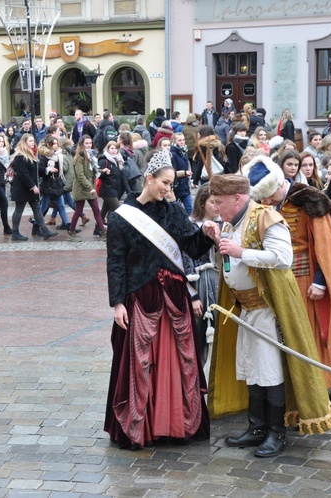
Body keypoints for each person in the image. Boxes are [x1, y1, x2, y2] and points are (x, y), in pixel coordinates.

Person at [206, 173, 331, 458]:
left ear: (237, 198)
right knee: (252, 367)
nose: (215, 207)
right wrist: (220, 241)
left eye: (218, 201)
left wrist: (242, 252)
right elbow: (231, 261)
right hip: (245, 307)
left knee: (268, 370)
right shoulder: (231, 222)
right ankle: (257, 427)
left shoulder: (265, 217)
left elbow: (282, 258)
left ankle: (276, 433)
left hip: (267, 308)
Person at [104, 150, 217, 450]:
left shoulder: (175, 211)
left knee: (180, 362)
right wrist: (117, 303)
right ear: (149, 179)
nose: (169, 188)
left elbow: (191, 248)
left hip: (175, 298)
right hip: (142, 297)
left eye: (171, 184)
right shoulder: (120, 217)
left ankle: (175, 423)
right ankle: (143, 426)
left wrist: (205, 234)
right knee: (142, 364)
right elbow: (115, 263)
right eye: (164, 183)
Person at [242, 155, 331, 388]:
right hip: (276, 279)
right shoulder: (268, 204)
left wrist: (320, 281)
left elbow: (326, 245)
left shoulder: (308, 199)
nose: (267, 202)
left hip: (304, 280)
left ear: (279, 185)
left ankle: (314, 390)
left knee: (305, 334)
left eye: (269, 196)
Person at [183, 184, 221, 369]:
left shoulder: (223, 225)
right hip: (200, 284)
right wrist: (193, 295)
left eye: (219, 202)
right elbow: (186, 260)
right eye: (213, 202)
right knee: (199, 335)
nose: (217, 206)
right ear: (202, 203)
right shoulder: (191, 225)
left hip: (218, 280)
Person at [9, 133, 58, 241]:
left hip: (31, 188)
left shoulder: (31, 155)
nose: (33, 143)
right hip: (22, 188)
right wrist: (33, 186)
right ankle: (15, 232)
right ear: (24, 142)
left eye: (33, 141)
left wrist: (47, 170)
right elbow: (23, 174)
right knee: (19, 210)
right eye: (30, 141)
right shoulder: (20, 156)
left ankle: (44, 230)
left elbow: (36, 171)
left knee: (37, 209)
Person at [68, 135, 107, 242]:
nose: (89, 145)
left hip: (90, 187)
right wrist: (90, 187)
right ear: (82, 145)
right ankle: (71, 233)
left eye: (90, 143)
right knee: (78, 211)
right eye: (87, 143)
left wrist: (103, 170)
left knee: (96, 211)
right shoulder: (79, 158)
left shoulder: (91, 156)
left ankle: (103, 232)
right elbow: (80, 175)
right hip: (82, 188)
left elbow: (94, 169)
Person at [97, 141, 131, 224]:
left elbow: (123, 178)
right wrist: (103, 172)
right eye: (112, 148)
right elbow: (97, 174)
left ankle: (98, 229)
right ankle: (122, 230)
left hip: (115, 190)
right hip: (107, 190)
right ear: (108, 149)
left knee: (104, 211)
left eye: (116, 148)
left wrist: (129, 192)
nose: (114, 150)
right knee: (119, 210)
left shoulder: (119, 160)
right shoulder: (104, 160)